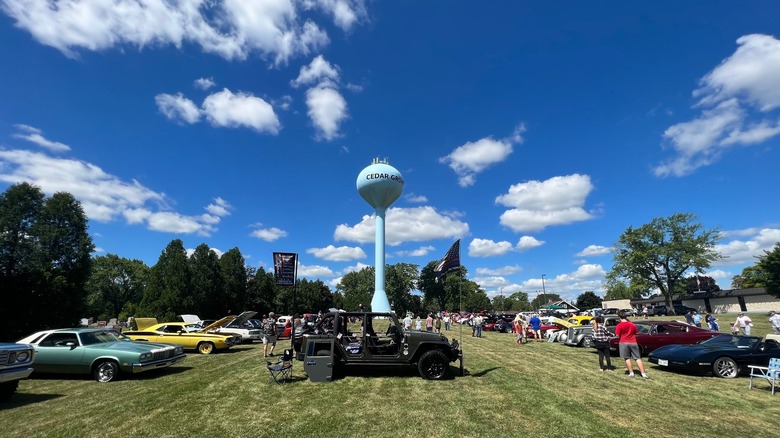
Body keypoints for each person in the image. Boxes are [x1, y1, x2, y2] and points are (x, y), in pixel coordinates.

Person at [615, 311, 649, 379]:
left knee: (627, 358)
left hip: (623, 342)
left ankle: (631, 373)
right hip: (633, 342)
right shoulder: (632, 324)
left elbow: (617, 335)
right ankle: (643, 374)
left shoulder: (619, 325)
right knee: (637, 358)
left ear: (619, 317)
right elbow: (636, 332)